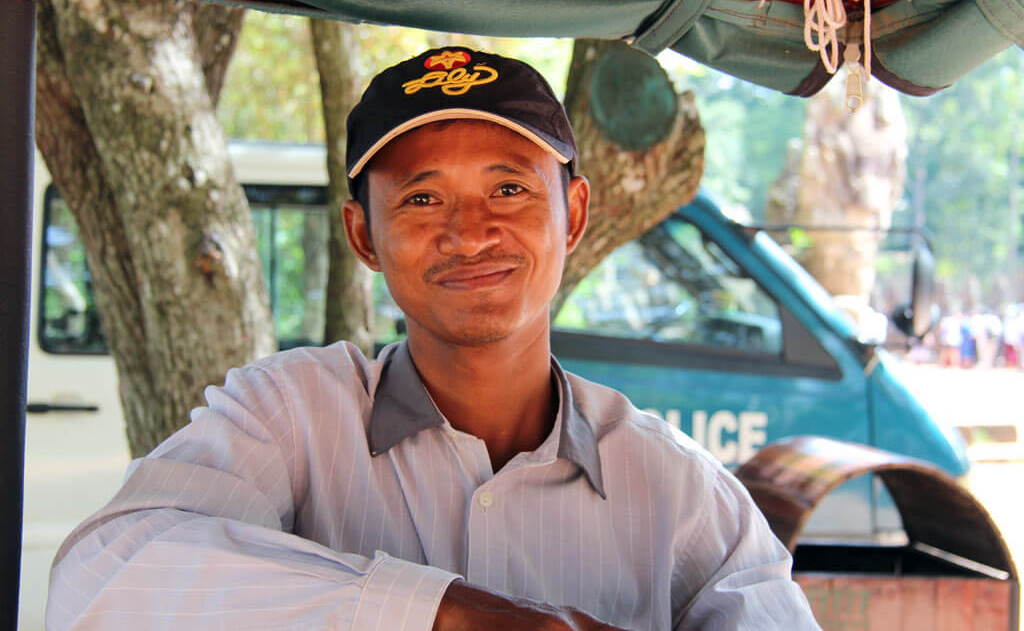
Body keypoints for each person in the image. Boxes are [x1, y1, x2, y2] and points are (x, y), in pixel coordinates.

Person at [47, 47, 818, 630]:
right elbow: (98, 580)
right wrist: (446, 612)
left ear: (575, 214)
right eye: (421, 197)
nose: (469, 232)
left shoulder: (676, 492)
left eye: (509, 188)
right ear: (364, 234)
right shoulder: (290, 417)